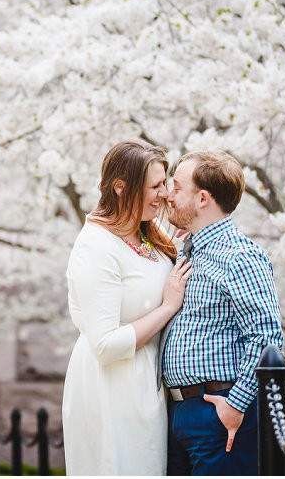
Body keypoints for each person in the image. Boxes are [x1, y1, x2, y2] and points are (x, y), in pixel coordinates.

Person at [62, 141, 193, 475]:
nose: (164, 194)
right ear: (121, 187)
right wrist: (167, 308)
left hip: (147, 385)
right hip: (111, 388)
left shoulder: (148, 234)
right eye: (154, 186)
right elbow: (104, 345)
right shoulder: (96, 246)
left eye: (165, 184)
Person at [162, 151, 284, 475]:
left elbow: (266, 335)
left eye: (176, 188)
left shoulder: (239, 255)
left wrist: (235, 404)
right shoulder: (191, 250)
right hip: (180, 411)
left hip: (219, 410)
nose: (167, 196)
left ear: (202, 198)